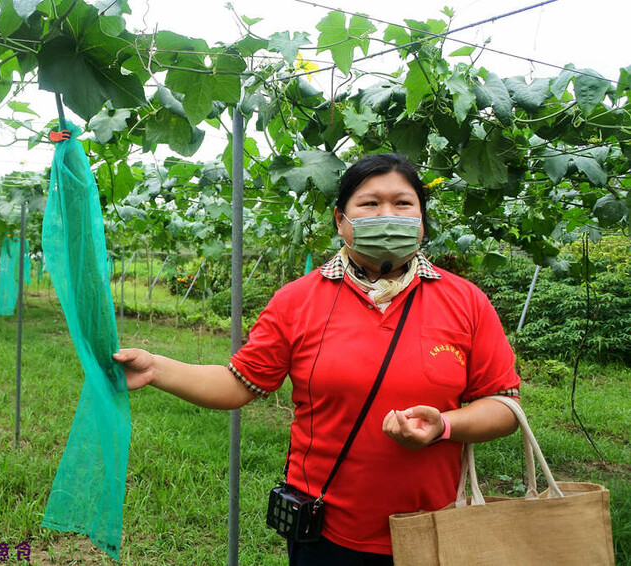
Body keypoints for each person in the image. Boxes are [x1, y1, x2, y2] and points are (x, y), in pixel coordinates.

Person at [113, 153, 521, 565]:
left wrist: (445, 426)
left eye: (402, 203)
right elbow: (240, 382)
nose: (387, 214)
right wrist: (156, 368)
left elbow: (504, 407)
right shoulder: (297, 300)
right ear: (341, 220)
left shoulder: (465, 301)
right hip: (325, 529)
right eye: (369, 203)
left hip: (434, 528)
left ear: (421, 220)